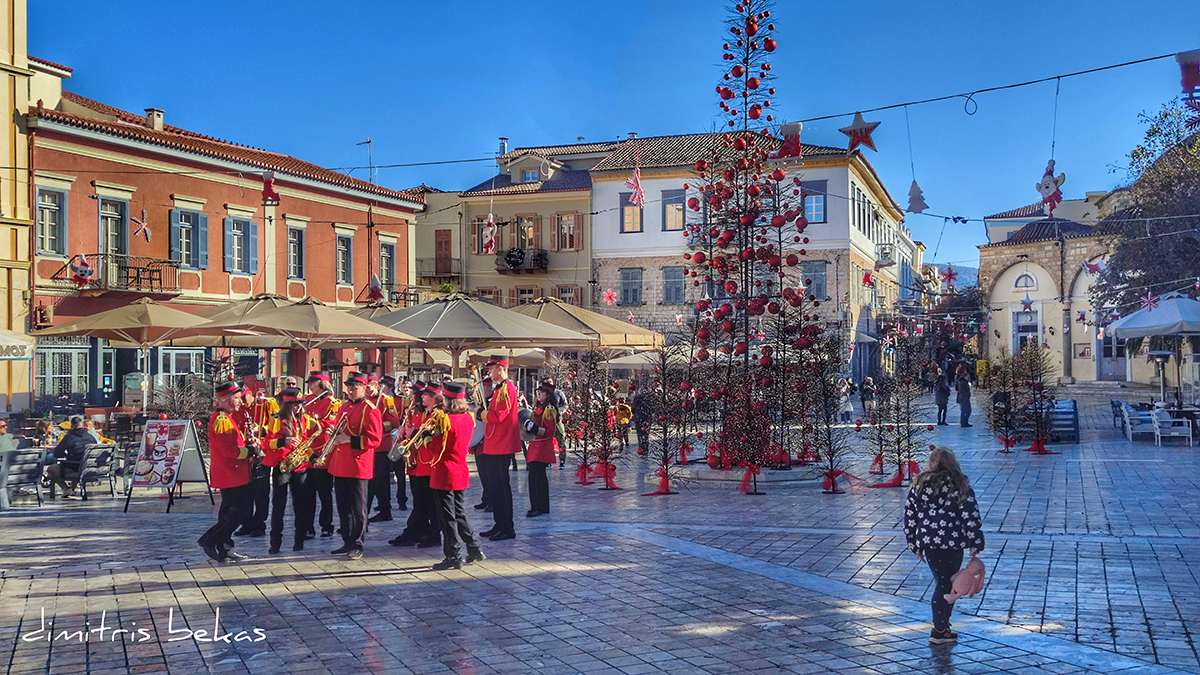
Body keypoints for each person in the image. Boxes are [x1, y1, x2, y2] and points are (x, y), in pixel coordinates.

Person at [903, 447, 985, 644]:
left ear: (932, 463)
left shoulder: (919, 485)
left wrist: (914, 544)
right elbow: (970, 514)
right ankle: (939, 629)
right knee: (945, 584)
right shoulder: (959, 484)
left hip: (929, 543)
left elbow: (910, 517)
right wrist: (975, 541)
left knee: (944, 581)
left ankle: (943, 626)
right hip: (952, 542)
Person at [197, 382, 259, 563]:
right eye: (237, 398)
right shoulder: (222, 420)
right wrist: (251, 451)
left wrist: (247, 442)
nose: (240, 401)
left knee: (228, 513)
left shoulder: (226, 417)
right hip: (231, 474)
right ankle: (209, 539)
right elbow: (230, 452)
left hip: (233, 474)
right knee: (240, 512)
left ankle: (225, 547)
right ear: (224, 399)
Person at [429, 381, 486, 570]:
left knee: (447, 517)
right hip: (460, 470)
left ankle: (453, 555)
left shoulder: (445, 420)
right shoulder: (468, 418)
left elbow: (436, 448)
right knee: (459, 512)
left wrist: (426, 438)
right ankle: (474, 547)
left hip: (444, 471)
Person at [325, 372, 382, 559]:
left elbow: (375, 439)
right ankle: (347, 541)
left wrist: (348, 439)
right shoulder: (344, 407)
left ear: (364, 388)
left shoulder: (370, 409)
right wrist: (332, 432)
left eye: (354, 387)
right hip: (341, 464)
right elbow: (340, 430)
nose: (350, 390)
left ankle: (358, 543)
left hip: (358, 465)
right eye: (348, 386)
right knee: (343, 507)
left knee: (358, 508)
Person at [263, 388, 318, 553]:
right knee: (278, 506)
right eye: (295, 405)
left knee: (300, 505)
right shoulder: (276, 419)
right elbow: (267, 443)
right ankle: (275, 542)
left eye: (300, 404)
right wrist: (283, 441)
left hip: (300, 466)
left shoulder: (305, 420)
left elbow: (305, 443)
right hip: (282, 465)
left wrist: (313, 456)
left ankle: (299, 540)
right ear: (287, 405)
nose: (298, 408)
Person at [389, 382, 442, 548]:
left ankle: (421, 532)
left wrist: (413, 432)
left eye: (413, 394)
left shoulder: (433, 414)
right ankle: (420, 531)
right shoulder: (414, 412)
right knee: (420, 501)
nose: (410, 397)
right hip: (416, 462)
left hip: (427, 462)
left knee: (426, 502)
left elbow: (431, 436)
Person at [477, 357, 520, 541]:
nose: (489, 372)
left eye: (491, 368)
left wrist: (481, 413)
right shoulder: (500, 389)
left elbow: (499, 416)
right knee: (495, 488)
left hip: (501, 445)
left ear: (500, 368)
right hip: (494, 443)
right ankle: (499, 524)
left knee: (501, 488)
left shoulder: (507, 389)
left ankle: (507, 528)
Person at [236, 389, 278, 537]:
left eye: (243, 397)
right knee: (245, 492)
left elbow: (276, 423)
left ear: (250, 394)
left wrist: (260, 430)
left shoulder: (265, 404)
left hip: (261, 453)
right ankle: (246, 523)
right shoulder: (239, 409)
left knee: (261, 492)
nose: (242, 401)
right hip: (246, 454)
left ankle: (259, 524)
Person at [304, 372, 341, 538]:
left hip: (322, 452)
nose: (310, 385)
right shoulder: (307, 400)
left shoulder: (332, 403)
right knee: (307, 494)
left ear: (322, 383)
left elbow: (330, 425)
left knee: (324, 493)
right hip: (307, 452)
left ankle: (327, 525)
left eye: (313, 382)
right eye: (310, 382)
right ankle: (308, 526)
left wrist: (313, 423)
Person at [523, 381, 561, 518]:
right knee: (538, 478)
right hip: (535, 446)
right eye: (537, 392)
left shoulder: (549, 409)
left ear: (548, 394)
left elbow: (550, 431)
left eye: (541, 392)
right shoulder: (539, 407)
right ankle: (541, 506)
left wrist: (533, 428)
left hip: (542, 447)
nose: (538, 394)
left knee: (537, 478)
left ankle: (538, 507)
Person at [366, 375, 400, 523]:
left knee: (380, 480)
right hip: (368, 446)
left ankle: (384, 510)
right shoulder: (365, 401)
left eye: (369, 387)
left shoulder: (386, 400)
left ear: (376, 386)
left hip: (381, 445)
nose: (367, 390)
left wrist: (377, 426)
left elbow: (394, 422)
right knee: (373, 481)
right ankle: (382, 509)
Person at [45, 415, 91, 498]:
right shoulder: (90, 437)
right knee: (79, 464)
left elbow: (57, 453)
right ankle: (71, 489)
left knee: (51, 469)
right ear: (82, 425)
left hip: (74, 468)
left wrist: (65, 455)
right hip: (90, 468)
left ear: (71, 426)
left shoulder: (69, 437)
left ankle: (65, 488)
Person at [382, 375, 408, 513]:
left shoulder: (401, 401)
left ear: (390, 387)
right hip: (384, 440)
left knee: (400, 473)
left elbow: (405, 418)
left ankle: (402, 499)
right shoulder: (380, 401)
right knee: (383, 474)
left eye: (384, 386)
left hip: (398, 440)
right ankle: (384, 503)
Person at [630, 381, 654, 456]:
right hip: (647, 418)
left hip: (638, 418)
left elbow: (633, 409)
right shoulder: (649, 399)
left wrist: (636, 413)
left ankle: (641, 447)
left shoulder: (637, 399)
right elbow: (652, 409)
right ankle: (645, 447)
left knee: (640, 434)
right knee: (646, 434)